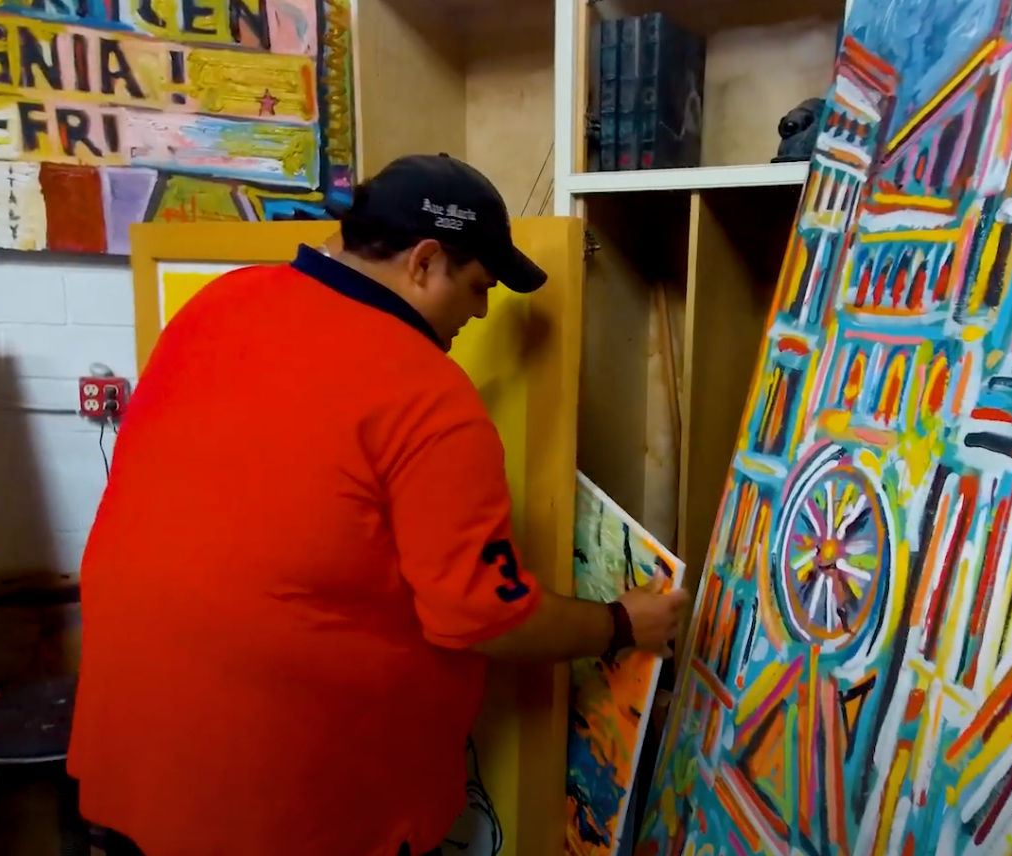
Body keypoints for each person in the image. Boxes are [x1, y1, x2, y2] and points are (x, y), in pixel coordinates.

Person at [68, 154, 692, 856]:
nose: (480, 311)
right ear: (424, 262)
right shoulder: (428, 395)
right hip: (286, 808)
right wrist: (619, 622)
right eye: (478, 286)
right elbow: (482, 615)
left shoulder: (218, 303)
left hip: (132, 759)